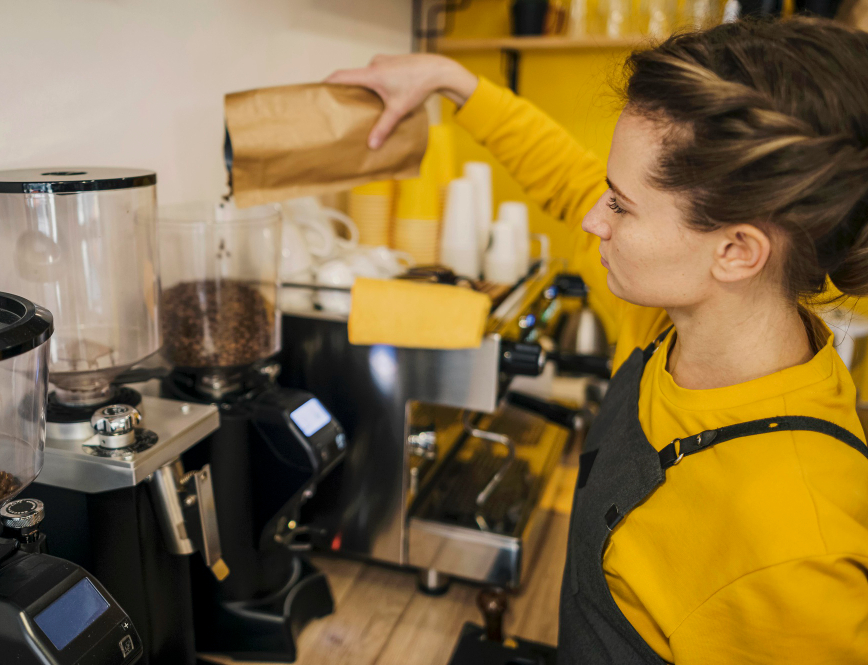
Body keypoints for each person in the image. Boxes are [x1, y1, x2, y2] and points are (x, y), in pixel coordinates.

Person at [328, 17, 868, 665]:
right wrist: (451, 81)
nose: (592, 217)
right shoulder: (667, 318)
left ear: (735, 249)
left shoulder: (798, 546)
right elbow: (564, 174)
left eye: (619, 204)